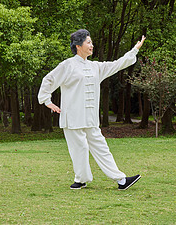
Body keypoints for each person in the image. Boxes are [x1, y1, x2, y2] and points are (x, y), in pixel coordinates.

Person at [38, 29, 145, 190]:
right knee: (78, 150)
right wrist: (47, 101)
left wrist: (134, 50)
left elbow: (116, 65)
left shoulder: (96, 67)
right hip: (72, 117)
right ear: (78, 45)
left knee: (102, 148)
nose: (92, 45)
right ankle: (81, 179)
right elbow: (49, 80)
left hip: (90, 118)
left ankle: (121, 180)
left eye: (91, 42)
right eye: (88, 42)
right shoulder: (67, 65)